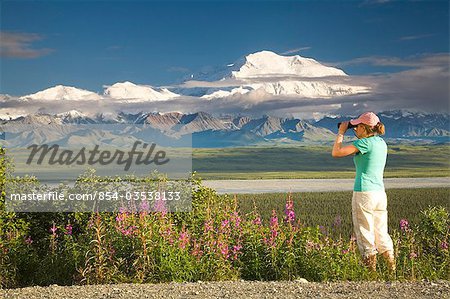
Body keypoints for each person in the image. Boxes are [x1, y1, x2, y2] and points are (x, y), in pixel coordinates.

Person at [331, 111, 395, 273]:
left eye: (357, 127)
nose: (355, 130)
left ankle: (371, 276)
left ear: (364, 127)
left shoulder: (365, 144)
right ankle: (392, 270)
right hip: (380, 193)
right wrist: (350, 127)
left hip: (364, 193)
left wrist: (341, 133)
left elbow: (336, 153)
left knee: (365, 233)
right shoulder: (381, 143)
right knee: (381, 233)